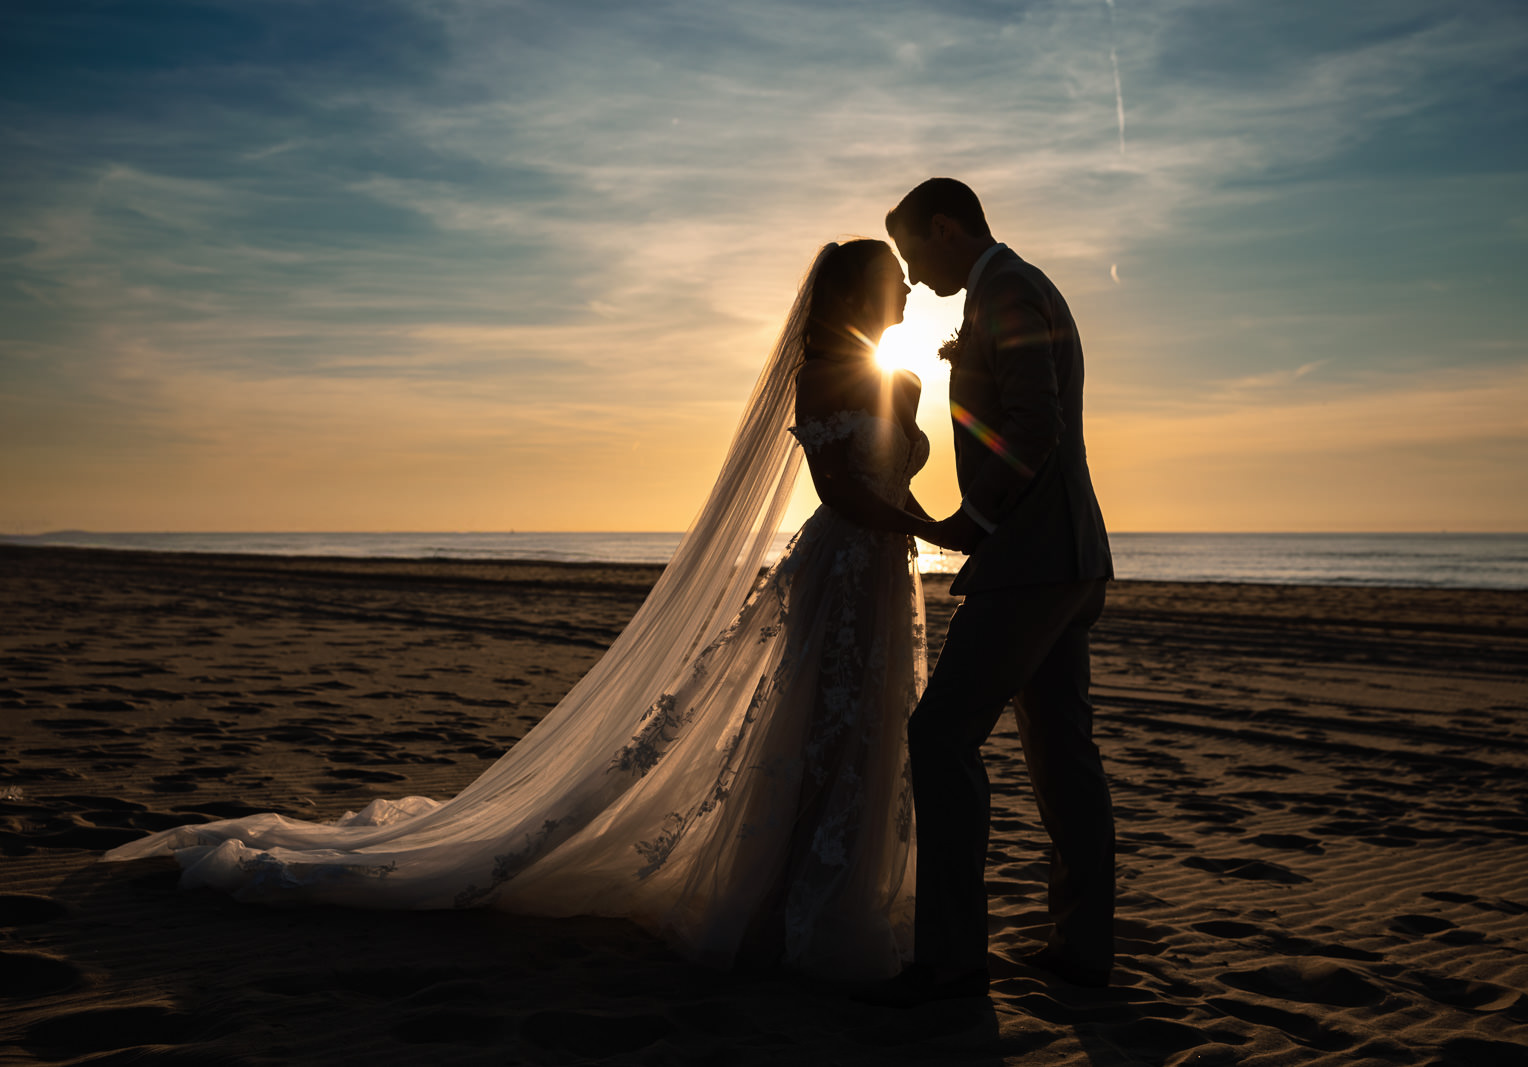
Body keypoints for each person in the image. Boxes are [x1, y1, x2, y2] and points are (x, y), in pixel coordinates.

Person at [105, 239, 932, 982]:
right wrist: (934, 526)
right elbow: (843, 490)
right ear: (862, 291)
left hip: (884, 572)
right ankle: (792, 904)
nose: (907, 291)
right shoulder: (822, 373)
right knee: (822, 725)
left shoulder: (899, 375)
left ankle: (826, 894)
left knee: (865, 727)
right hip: (844, 570)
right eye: (894, 280)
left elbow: (897, 463)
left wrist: (921, 416)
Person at [869, 179, 1115, 1006]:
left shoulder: (1007, 288)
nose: (913, 271)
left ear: (945, 228)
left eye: (913, 252)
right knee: (1060, 753)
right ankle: (1083, 947)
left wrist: (975, 516)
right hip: (1068, 555)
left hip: (1032, 559)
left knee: (940, 737)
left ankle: (951, 960)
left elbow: (1035, 423)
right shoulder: (1018, 286)